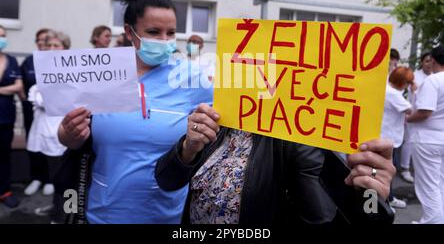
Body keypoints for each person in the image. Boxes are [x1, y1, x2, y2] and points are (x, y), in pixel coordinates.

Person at [57, 0, 213, 223]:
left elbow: (222, 125)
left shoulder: (191, 77)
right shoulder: (99, 72)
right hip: (102, 213)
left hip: (166, 215)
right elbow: (71, 140)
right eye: (153, 32)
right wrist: (68, 133)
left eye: (171, 33)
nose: (164, 41)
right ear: (130, 32)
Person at [155, 103, 396, 224]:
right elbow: (166, 180)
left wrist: (370, 196)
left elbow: (331, 217)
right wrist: (188, 148)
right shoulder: (217, 121)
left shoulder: (294, 141)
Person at [26, 31, 70, 222]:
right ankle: (56, 209)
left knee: (64, 179)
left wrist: (41, 95)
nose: (51, 49)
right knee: (55, 175)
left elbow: (47, 99)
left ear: (65, 49)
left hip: (63, 133)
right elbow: (37, 97)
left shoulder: (70, 72)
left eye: (56, 46)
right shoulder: (44, 69)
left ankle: (62, 216)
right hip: (45, 131)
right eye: (48, 45)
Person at [407, 44, 444, 224]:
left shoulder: (433, 80)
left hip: (428, 140)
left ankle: (433, 221)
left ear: (434, 61)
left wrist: (407, 119)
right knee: (441, 184)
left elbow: (425, 112)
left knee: (428, 187)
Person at [20, 28, 53, 196]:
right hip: (31, 110)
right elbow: (21, 85)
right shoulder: (28, 61)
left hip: (51, 112)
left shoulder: (55, 61)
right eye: (39, 40)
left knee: (51, 144)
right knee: (34, 144)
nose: (42, 43)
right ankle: (36, 177)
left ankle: (49, 179)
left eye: (45, 40)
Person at [380, 66, 413, 211]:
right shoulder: (393, 94)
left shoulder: (386, 86)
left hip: (384, 136)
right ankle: (383, 202)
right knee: (384, 172)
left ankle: (387, 198)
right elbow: (411, 110)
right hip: (388, 139)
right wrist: (414, 91)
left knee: (383, 171)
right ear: (403, 83)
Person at [0, 25, 23, 208]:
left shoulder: (11, 61)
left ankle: (4, 191)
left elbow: (18, 86)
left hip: (5, 117)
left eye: (3, 36)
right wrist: (6, 90)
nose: (2, 39)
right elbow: (12, 87)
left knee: (3, 154)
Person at [401, 52, 433, 183]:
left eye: (431, 61)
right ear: (421, 62)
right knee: (409, 141)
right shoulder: (414, 76)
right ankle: (405, 168)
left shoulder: (434, 77)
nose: (429, 64)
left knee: (423, 141)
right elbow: (414, 93)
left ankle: (417, 168)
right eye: (426, 61)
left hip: (429, 115)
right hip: (413, 112)